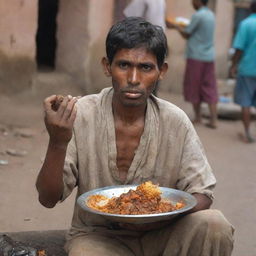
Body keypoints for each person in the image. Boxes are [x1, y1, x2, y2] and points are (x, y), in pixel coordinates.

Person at [36, 17, 234, 256]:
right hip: (99, 237)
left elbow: (202, 194)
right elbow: (47, 199)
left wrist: (158, 218)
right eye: (123, 65)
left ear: (162, 71)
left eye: (146, 68)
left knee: (215, 225)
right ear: (107, 66)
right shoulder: (81, 114)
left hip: (163, 234)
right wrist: (58, 141)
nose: (133, 79)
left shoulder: (175, 121)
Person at [167, 0, 218, 129]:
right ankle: (213, 119)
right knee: (209, 86)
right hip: (209, 56)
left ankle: (198, 117)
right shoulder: (211, 15)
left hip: (196, 56)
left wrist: (175, 26)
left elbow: (187, 33)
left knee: (194, 85)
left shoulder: (198, 15)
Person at [229, 1, 256, 143]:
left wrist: (233, 65)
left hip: (248, 68)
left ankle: (247, 134)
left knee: (245, 102)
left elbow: (238, 48)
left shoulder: (246, 24)